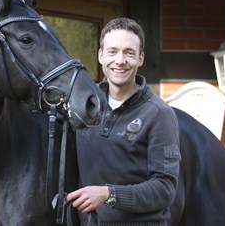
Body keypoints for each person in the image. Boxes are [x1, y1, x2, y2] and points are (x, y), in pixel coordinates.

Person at [65, 17, 181, 225]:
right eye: (112, 51)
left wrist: (109, 194)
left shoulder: (159, 114)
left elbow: (165, 189)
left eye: (129, 53)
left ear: (141, 58)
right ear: (101, 55)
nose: (120, 60)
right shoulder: (84, 108)